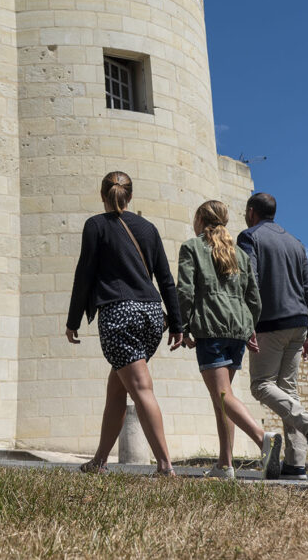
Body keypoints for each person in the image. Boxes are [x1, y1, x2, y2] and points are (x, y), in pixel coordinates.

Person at [66, 171, 184, 476]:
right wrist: (177, 324)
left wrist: (73, 319)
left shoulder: (96, 225)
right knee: (118, 389)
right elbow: (166, 280)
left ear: (102, 194)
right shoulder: (149, 228)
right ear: (130, 196)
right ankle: (99, 461)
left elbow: (85, 273)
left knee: (141, 387)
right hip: (151, 315)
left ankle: (165, 466)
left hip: (119, 314)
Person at [177, 200, 283, 480]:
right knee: (222, 398)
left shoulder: (192, 248)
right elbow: (254, 299)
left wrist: (182, 326)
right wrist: (249, 329)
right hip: (237, 331)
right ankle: (225, 465)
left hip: (210, 329)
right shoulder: (239, 254)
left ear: (200, 219)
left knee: (222, 396)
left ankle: (264, 440)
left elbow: (185, 291)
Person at [238, 192, 308, 479]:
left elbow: (248, 280)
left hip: (269, 322)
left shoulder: (249, 237)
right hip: (299, 323)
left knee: (261, 385)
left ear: (251, 212)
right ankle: (296, 464)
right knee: (287, 391)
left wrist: (248, 321)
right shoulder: (295, 242)